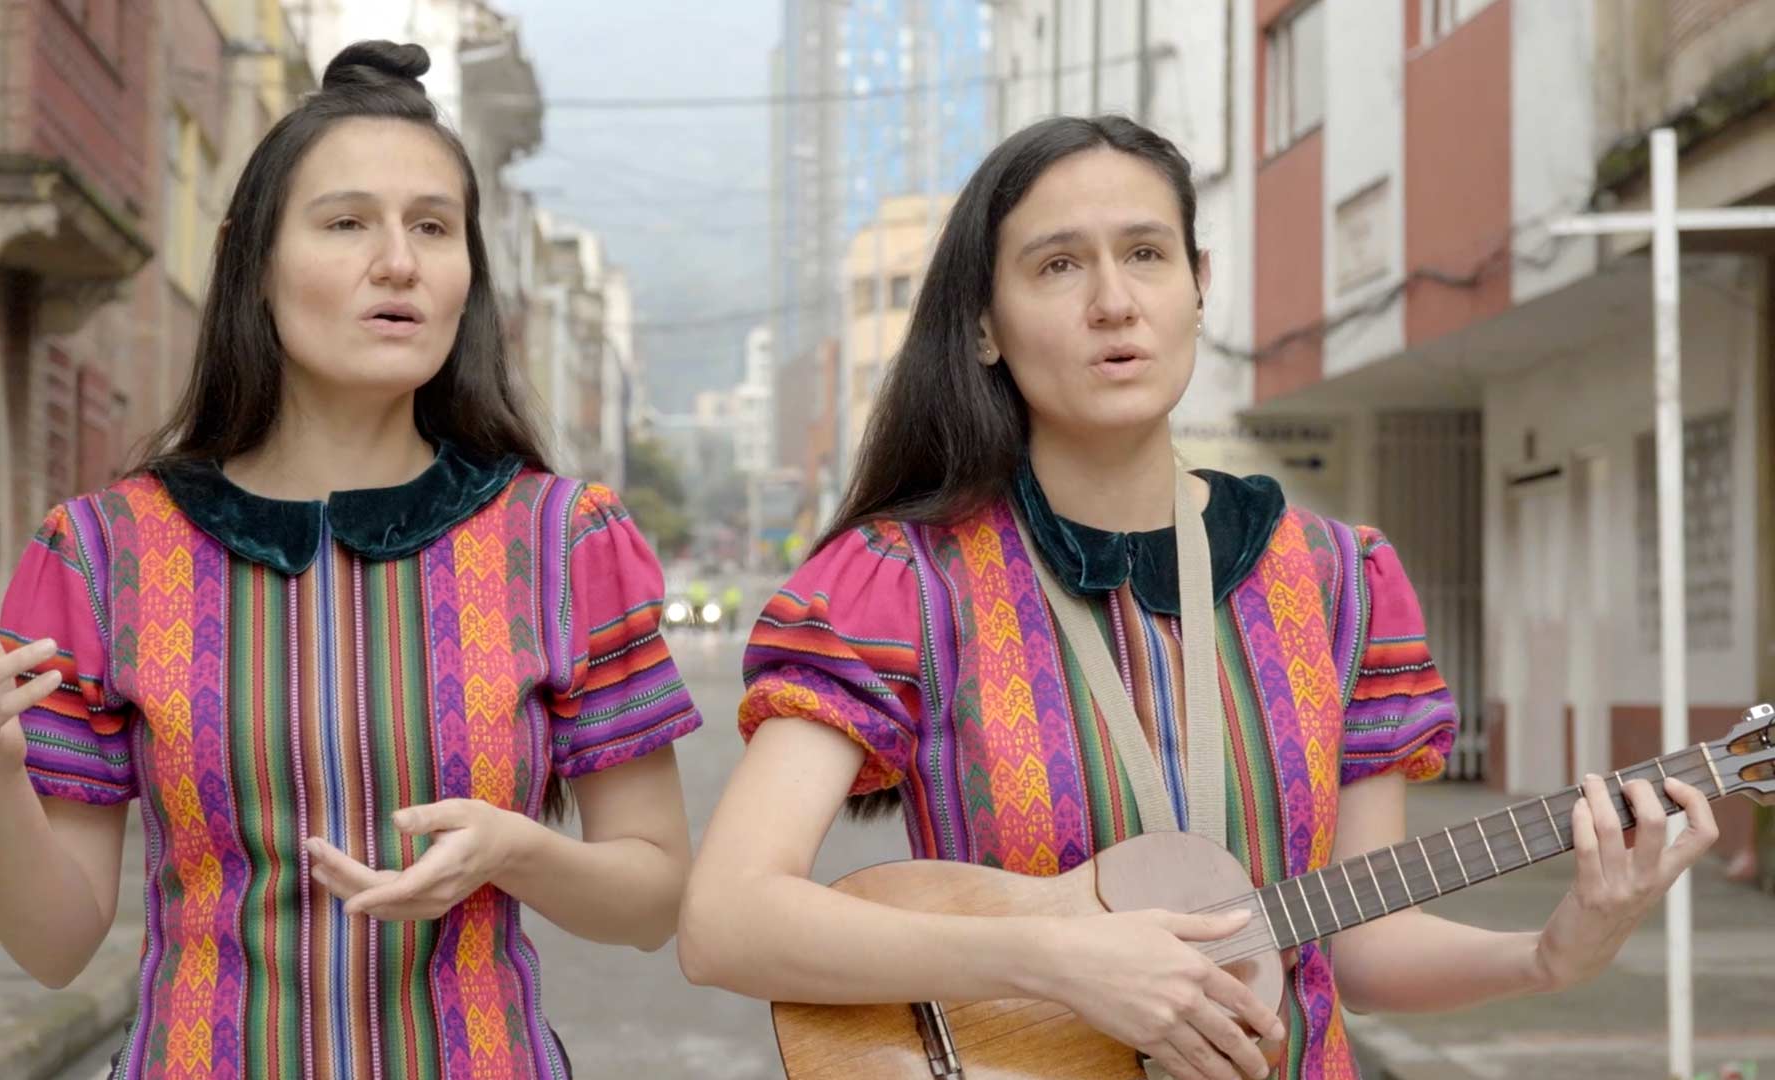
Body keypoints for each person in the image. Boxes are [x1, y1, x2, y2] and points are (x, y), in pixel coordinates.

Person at [677, 115, 1719, 1080]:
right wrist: (1058, 960)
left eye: (1146, 253)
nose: (1113, 302)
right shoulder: (904, 583)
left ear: (1198, 284)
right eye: (1057, 265)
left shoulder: (1340, 582)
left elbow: (1358, 947)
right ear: (985, 325)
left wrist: (1550, 955)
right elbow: (727, 921)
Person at [0, 41, 700, 1080]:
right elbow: (53, 946)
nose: (400, 262)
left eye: (434, 226)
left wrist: (516, 851)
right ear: (254, 262)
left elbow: (652, 900)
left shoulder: (566, 541)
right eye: (346, 223)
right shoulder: (104, 554)